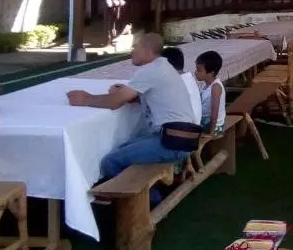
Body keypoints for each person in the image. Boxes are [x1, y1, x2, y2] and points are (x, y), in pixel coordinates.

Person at [67, 33, 196, 182]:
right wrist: (124, 93)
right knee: (122, 148)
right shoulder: (163, 66)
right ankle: (143, 190)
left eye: (135, 47)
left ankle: (147, 196)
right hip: (182, 138)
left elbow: (114, 102)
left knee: (110, 162)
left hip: (172, 141)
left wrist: (86, 99)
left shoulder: (150, 70)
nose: (132, 52)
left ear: (147, 51)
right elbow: (146, 96)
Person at [195, 51, 226, 135]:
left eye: (199, 70)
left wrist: (211, 133)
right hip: (205, 121)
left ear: (211, 73)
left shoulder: (216, 87)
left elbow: (214, 113)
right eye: (196, 69)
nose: (195, 72)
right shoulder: (204, 85)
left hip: (216, 127)